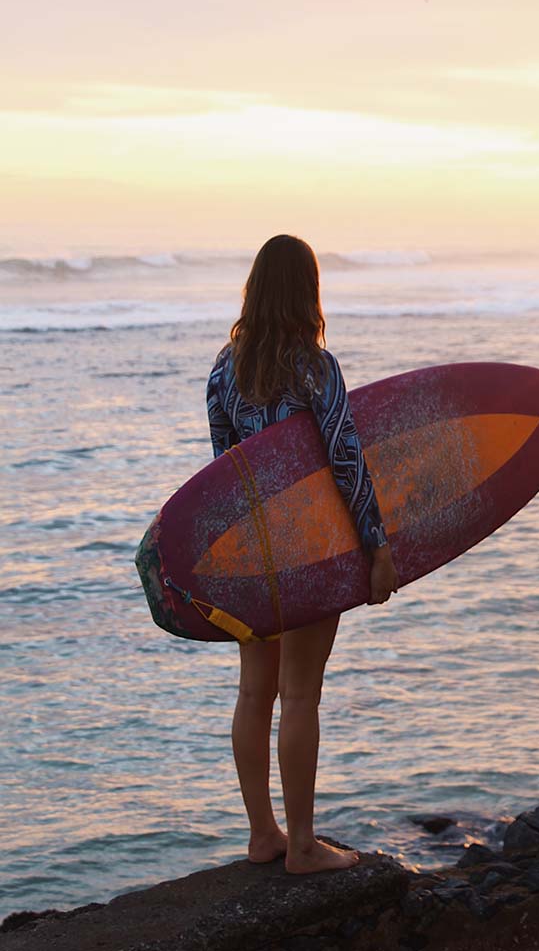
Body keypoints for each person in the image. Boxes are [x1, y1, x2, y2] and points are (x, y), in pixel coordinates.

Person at [206, 234, 400, 875]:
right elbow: (347, 461)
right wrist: (377, 548)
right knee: (301, 695)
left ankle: (264, 835)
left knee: (253, 692)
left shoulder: (221, 372)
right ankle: (306, 846)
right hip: (311, 552)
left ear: (254, 290)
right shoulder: (316, 368)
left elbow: (222, 476)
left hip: (252, 555)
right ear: (306, 292)